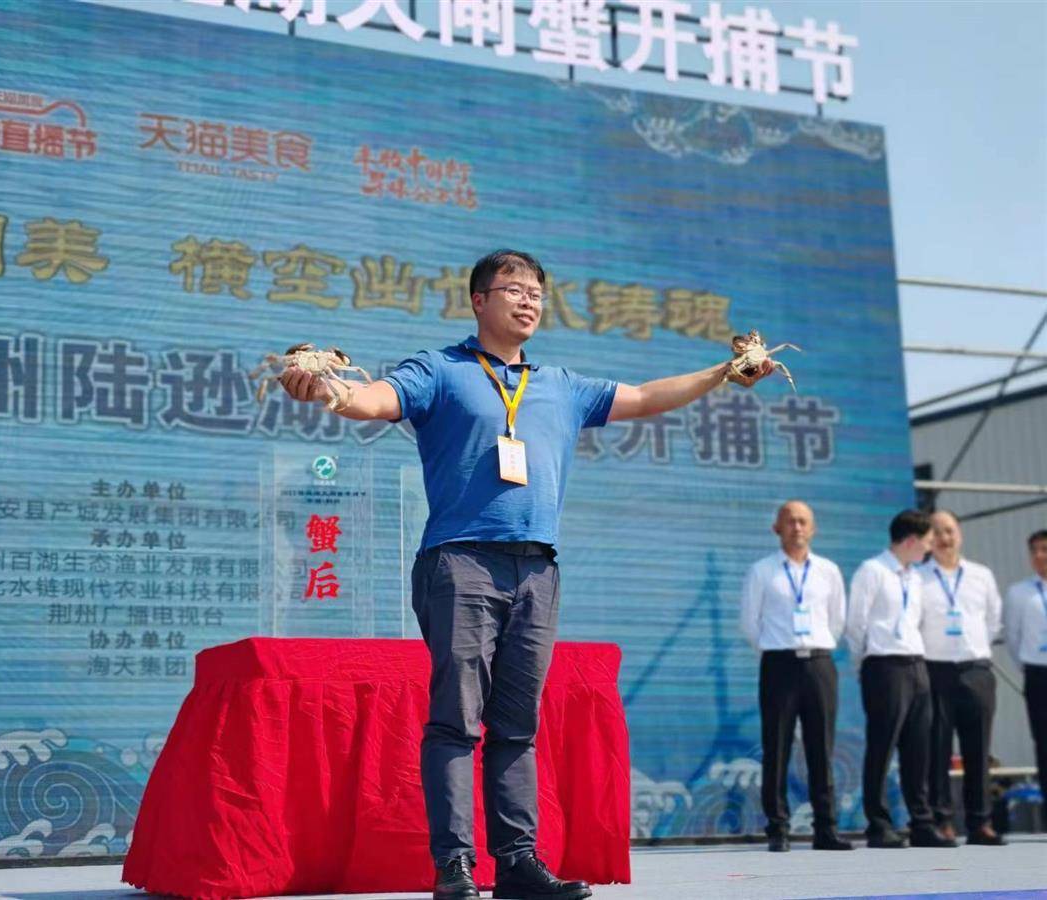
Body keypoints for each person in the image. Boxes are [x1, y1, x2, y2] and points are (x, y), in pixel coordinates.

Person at [278, 249, 772, 900]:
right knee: (456, 720)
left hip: (538, 569)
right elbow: (373, 398)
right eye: (514, 289)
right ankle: (454, 865)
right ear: (479, 301)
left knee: (517, 726)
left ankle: (516, 863)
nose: (529, 299)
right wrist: (328, 389)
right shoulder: (440, 370)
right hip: (461, 562)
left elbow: (647, 396)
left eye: (537, 291)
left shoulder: (561, 386)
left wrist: (724, 371)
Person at [739, 500, 853, 852]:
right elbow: (749, 623)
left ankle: (826, 828)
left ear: (813, 528)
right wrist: (775, 649)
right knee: (777, 746)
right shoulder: (762, 571)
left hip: (819, 663)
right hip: (779, 664)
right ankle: (778, 828)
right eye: (790, 521)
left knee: (822, 747)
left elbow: (837, 620)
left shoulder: (828, 571)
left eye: (803, 521)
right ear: (776, 528)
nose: (797, 527)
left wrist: (816, 644)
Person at [845, 509, 956, 849]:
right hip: (884, 664)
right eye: (926, 541)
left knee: (919, 748)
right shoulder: (872, 571)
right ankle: (878, 824)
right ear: (910, 541)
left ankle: (921, 823)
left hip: (916, 664)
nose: (929, 548)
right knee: (882, 745)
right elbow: (855, 624)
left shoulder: (915, 578)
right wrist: (865, 664)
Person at [918, 510, 1005, 845]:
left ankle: (980, 822)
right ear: (929, 539)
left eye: (950, 530)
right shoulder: (919, 577)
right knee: (936, 749)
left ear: (960, 534)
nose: (945, 538)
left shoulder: (981, 575)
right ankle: (942, 820)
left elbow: (993, 621)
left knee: (978, 749)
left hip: (976, 670)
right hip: (935, 670)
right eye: (937, 532)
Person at [1003, 529, 1047, 824]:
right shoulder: (1019, 593)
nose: (1039, 556)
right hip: (1038, 672)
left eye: (1045, 549)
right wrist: (1028, 665)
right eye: (1034, 551)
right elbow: (1013, 637)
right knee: (1043, 742)